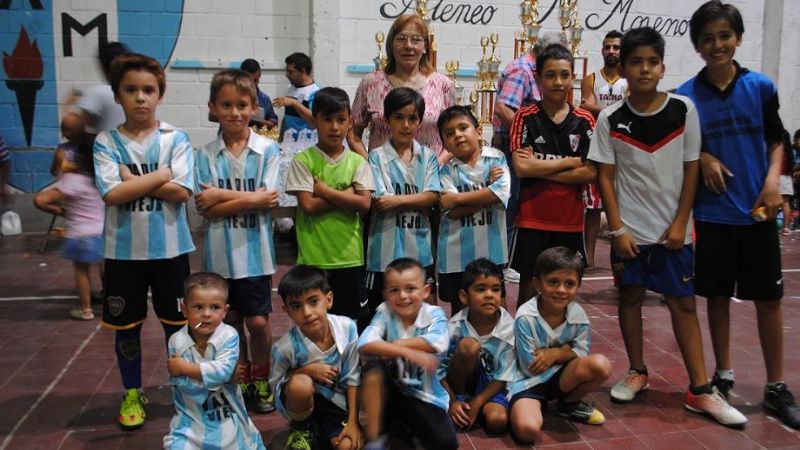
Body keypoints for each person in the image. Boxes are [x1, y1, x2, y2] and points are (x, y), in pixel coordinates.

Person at [590, 26, 746, 427]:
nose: (643, 69)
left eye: (651, 62)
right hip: (630, 234)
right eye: (635, 62)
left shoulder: (683, 109)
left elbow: (692, 167)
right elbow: (605, 178)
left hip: (673, 233)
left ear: (662, 67)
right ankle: (637, 371)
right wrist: (619, 231)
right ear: (623, 68)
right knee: (629, 299)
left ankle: (700, 390)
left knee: (682, 304)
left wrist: (681, 222)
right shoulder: (610, 119)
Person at [677, 0, 800, 429]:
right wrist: (706, 156)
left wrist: (773, 181)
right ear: (697, 45)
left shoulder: (761, 86)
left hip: (758, 212)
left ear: (738, 38)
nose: (717, 45)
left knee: (770, 300)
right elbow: (684, 150)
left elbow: (776, 138)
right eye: (707, 38)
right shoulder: (686, 97)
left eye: (724, 36)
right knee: (716, 298)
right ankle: (723, 375)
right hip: (712, 215)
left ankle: (776, 386)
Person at [93, 53, 195, 430]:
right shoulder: (106, 141)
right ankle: (132, 391)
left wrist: (130, 179)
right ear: (117, 96)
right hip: (122, 253)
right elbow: (110, 195)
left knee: (178, 326)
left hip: (170, 251)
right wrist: (162, 175)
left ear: (160, 95)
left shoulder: (175, 138)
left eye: (148, 90)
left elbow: (182, 192)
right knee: (127, 328)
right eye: (131, 90)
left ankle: (183, 391)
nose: (140, 98)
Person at [194, 69, 281, 415]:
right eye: (226, 105)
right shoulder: (205, 154)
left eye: (242, 105)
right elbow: (207, 210)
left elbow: (270, 199)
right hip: (219, 257)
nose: (234, 112)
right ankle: (242, 378)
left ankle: (262, 377)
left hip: (256, 255)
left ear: (254, 107)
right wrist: (251, 199)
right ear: (213, 108)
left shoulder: (267, 150)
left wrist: (220, 195)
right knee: (229, 324)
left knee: (258, 323)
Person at [508, 43, 596, 308]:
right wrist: (569, 162)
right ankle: (524, 347)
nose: (558, 82)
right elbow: (522, 168)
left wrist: (542, 167)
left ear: (572, 77)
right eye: (550, 75)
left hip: (570, 222)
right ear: (538, 79)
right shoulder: (524, 118)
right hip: (532, 220)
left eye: (564, 75)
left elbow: (590, 172)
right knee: (527, 292)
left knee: (565, 293)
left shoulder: (585, 121)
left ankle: (561, 347)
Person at [285, 87, 375, 329]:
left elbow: (364, 204)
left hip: (350, 258)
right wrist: (347, 195)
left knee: (350, 324)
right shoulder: (303, 161)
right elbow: (308, 206)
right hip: (314, 259)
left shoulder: (358, 162)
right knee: (315, 321)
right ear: (314, 121)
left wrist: (325, 191)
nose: (334, 127)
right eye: (327, 119)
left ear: (350, 122)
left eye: (341, 120)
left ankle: (350, 367)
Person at [507, 247, 611, 444]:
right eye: (553, 282)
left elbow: (583, 352)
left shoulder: (579, 317)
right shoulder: (526, 317)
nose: (561, 290)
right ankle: (534, 405)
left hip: (563, 378)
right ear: (537, 283)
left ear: (579, 285)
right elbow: (531, 367)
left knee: (601, 365)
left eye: (569, 284)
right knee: (527, 431)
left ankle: (568, 404)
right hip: (528, 383)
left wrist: (555, 354)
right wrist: (568, 351)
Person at [358, 258, 457, 450]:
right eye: (394, 290)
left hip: (425, 396)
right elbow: (364, 342)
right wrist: (408, 353)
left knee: (447, 443)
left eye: (410, 288)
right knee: (373, 371)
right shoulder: (385, 312)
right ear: (385, 294)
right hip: (391, 392)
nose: (403, 296)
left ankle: (403, 431)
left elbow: (438, 342)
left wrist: (394, 345)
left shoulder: (434, 315)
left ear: (425, 291)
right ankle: (374, 440)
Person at [492, 32, 565, 284]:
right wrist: (531, 136)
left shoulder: (528, 68)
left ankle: (506, 261)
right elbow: (504, 108)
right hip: (513, 148)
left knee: (516, 205)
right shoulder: (523, 70)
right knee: (508, 205)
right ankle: (501, 263)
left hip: (523, 148)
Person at [163, 272, 266, 450]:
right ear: (185, 308)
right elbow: (184, 384)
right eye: (198, 307)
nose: (206, 314)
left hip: (227, 416)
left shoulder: (228, 335)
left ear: (225, 311)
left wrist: (186, 369)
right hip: (192, 419)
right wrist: (222, 376)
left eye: (215, 307)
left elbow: (222, 372)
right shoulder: (176, 341)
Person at [365, 87, 441, 313]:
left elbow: (432, 197)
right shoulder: (376, 156)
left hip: (420, 248)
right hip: (383, 250)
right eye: (399, 118)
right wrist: (419, 200)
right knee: (382, 315)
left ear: (420, 122)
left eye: (412, 118)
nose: (405, 125)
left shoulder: (428, 157)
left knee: (425, 312)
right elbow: (380, 200)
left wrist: (398, 201)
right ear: (388, 120)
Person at [271, 265, 363, 450]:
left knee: (347, 446)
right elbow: (276, 386)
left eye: (313, 301)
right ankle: (301, 429)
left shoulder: (347, 328)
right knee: (300, 384)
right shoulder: (284, 348)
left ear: (328, 300)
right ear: (287, 311)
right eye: (296, 306)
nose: (306, 312)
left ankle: (324, 433)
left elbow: (354, 377)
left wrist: (353, 422)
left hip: (336, 404)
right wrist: (306, 371)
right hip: (301, 405)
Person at [350, 14, 455, 164]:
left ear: (425, 46)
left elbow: (453, 136)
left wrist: (434, 167)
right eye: (401, 38)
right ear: (391, 45)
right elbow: (353, 135)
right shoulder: (370, 84)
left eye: (416, 40)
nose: (408, 46)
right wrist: (372, 166)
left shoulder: (444, 85)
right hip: (381, 180)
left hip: (429, 180)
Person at [436, 106, 510, 316]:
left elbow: (499, 195)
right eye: (450, 133)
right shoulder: (446, 171)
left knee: (495, 309)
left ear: (478, 132)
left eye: (463, 128)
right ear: (444, 144)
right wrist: (488, 192)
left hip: (491, 253)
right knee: (460, 314)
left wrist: (457, 199)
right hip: (456, 255)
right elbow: (452, 211)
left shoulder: (496, 159)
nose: (457, 135)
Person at [439, 258, 516, 433]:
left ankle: (474, 406)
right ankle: (462, 400)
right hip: (460, 381)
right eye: (481, 289)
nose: (489, 295)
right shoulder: (454, 326)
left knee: (497, 420)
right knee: (468, 346)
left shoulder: (509, 328)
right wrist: (452, 402)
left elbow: (504, 376)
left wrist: (478, 401)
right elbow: (438, 369)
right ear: (464, 296)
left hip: (492, 384)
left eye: (495, 289)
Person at [33, 128, 103, 320]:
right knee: (106, 268)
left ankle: (86, 309)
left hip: (80, 233)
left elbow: (41, 200)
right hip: (104, 231)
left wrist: (64, 211)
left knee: (82, 271)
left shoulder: (73, 180)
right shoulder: (103, 178)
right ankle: (112, 305)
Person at [579, 30, 627, 269]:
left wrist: (599, 109)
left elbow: (627, 112)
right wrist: (613, 111)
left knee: (622, 203)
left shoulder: (629, 80)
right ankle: (588, 256)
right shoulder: (591, 78)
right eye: (607, 47)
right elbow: (585, 108)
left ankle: (622, 257)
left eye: (616, 47)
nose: (611, 51)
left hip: (623, 147)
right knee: (593, 206)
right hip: (597, 145)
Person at [62, 41, 128, 134]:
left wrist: (66, 108)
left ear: (103, 67)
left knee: (64, 148)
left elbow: (73, 130)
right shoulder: (136, 94)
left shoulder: (98, 93)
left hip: (106, 147)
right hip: (133, 147)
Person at [272, 52, 321, 141]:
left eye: (290, 72)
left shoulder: (315, 92)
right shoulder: (289, 90)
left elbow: (315, 119)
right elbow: (286, 117)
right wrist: (281, 138)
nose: (287, 75)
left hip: (306, 144)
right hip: (289, 144)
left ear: (303, 71)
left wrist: (294, 103)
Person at [239, 59, 279, 129]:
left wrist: (264, 123)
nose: (252, 84)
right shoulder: (231, 96)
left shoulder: (264, 99)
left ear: (259, 76)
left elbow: (274, 121)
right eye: (248, 80)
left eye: (255, 80)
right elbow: (215, 116)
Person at [778, 130, 794, 235]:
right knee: (786, 203)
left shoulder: (778, 151)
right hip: (787, 179)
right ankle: (786, 227)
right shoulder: (789, 153)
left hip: (778, 178)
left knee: (774, 203)